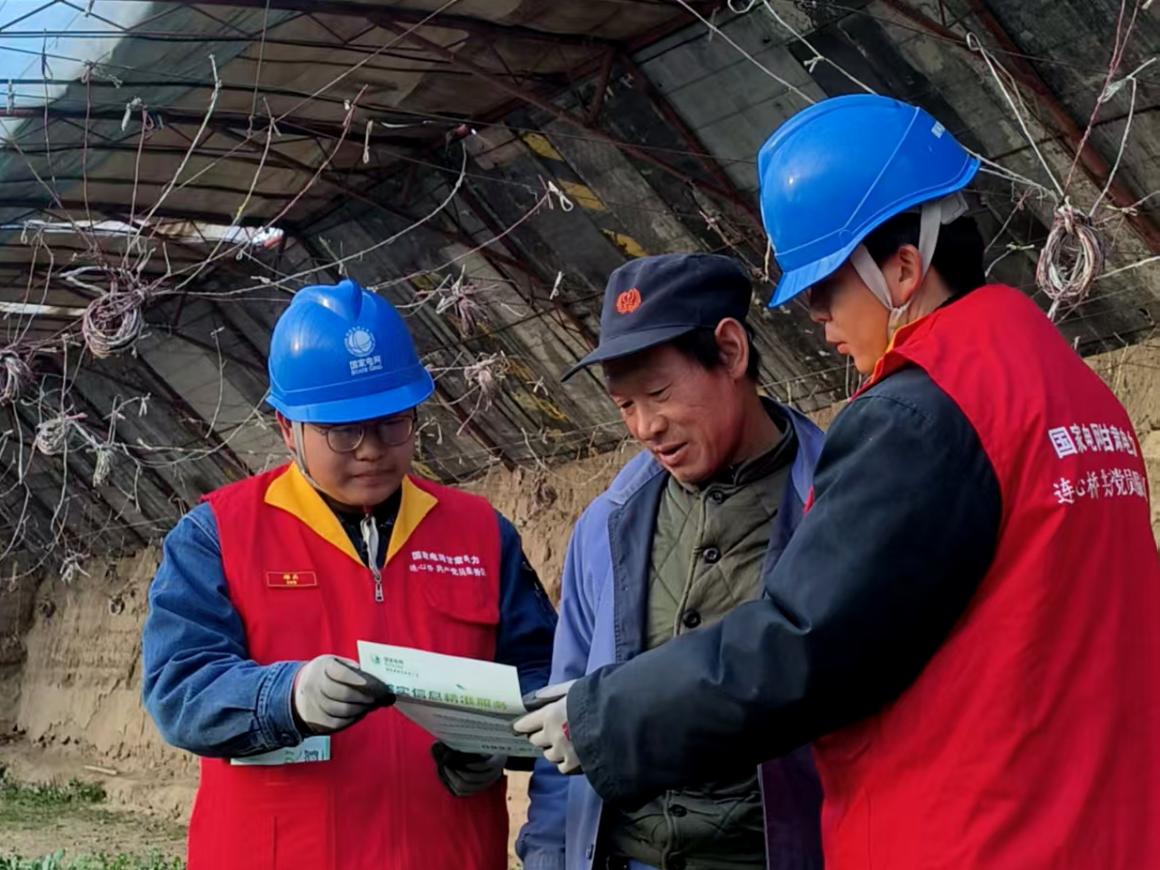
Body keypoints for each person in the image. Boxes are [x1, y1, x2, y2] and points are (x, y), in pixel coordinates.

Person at [514, 94, 1160, 868]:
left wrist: (607, 717)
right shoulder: (1064, 387)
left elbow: (808, 640)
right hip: (1089, 821)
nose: (818, 319)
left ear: (903, 267)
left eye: (826, 289)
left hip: (976, 830)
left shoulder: (918, 413)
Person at [142, 278, 558, 870]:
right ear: (287, 428)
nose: (371, 450)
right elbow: (179, 687)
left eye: (392, 424)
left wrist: (499, 743)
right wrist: (286, 697)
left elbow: (544, 672)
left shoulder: (479, 533)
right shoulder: (219, 535)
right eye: (343, 431)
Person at [517, 254, 824, 870]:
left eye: (659, 394)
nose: (645, 427)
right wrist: (548, 854)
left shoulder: (834, 506)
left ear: (731, 352)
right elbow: (562, 710)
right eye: (624, 405)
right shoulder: (607, 525)